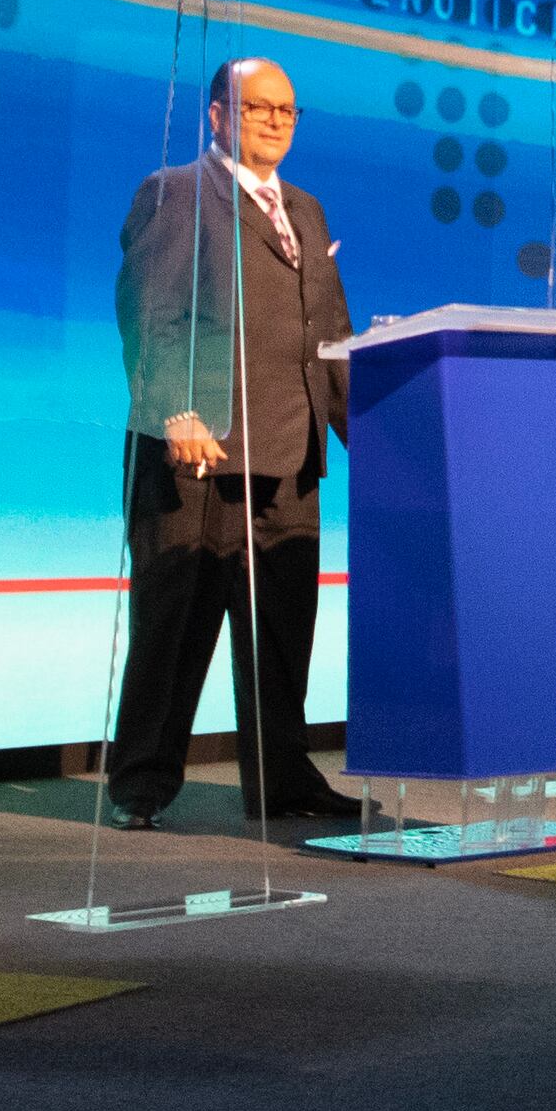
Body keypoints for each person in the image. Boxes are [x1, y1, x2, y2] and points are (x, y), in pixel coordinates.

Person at [108, 56, 362, 830]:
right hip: (198, 453)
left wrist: (377, 445)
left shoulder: (307, 211)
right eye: (258, 108)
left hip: (289, 459)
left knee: (282, 637)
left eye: (288, 110)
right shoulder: (176, 192)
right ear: (217, 114)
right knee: (175, 631)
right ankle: (142, 786)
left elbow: (330, 336)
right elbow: (147, 314)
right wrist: (175, 410)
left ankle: (280, 781)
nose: (276, 121)